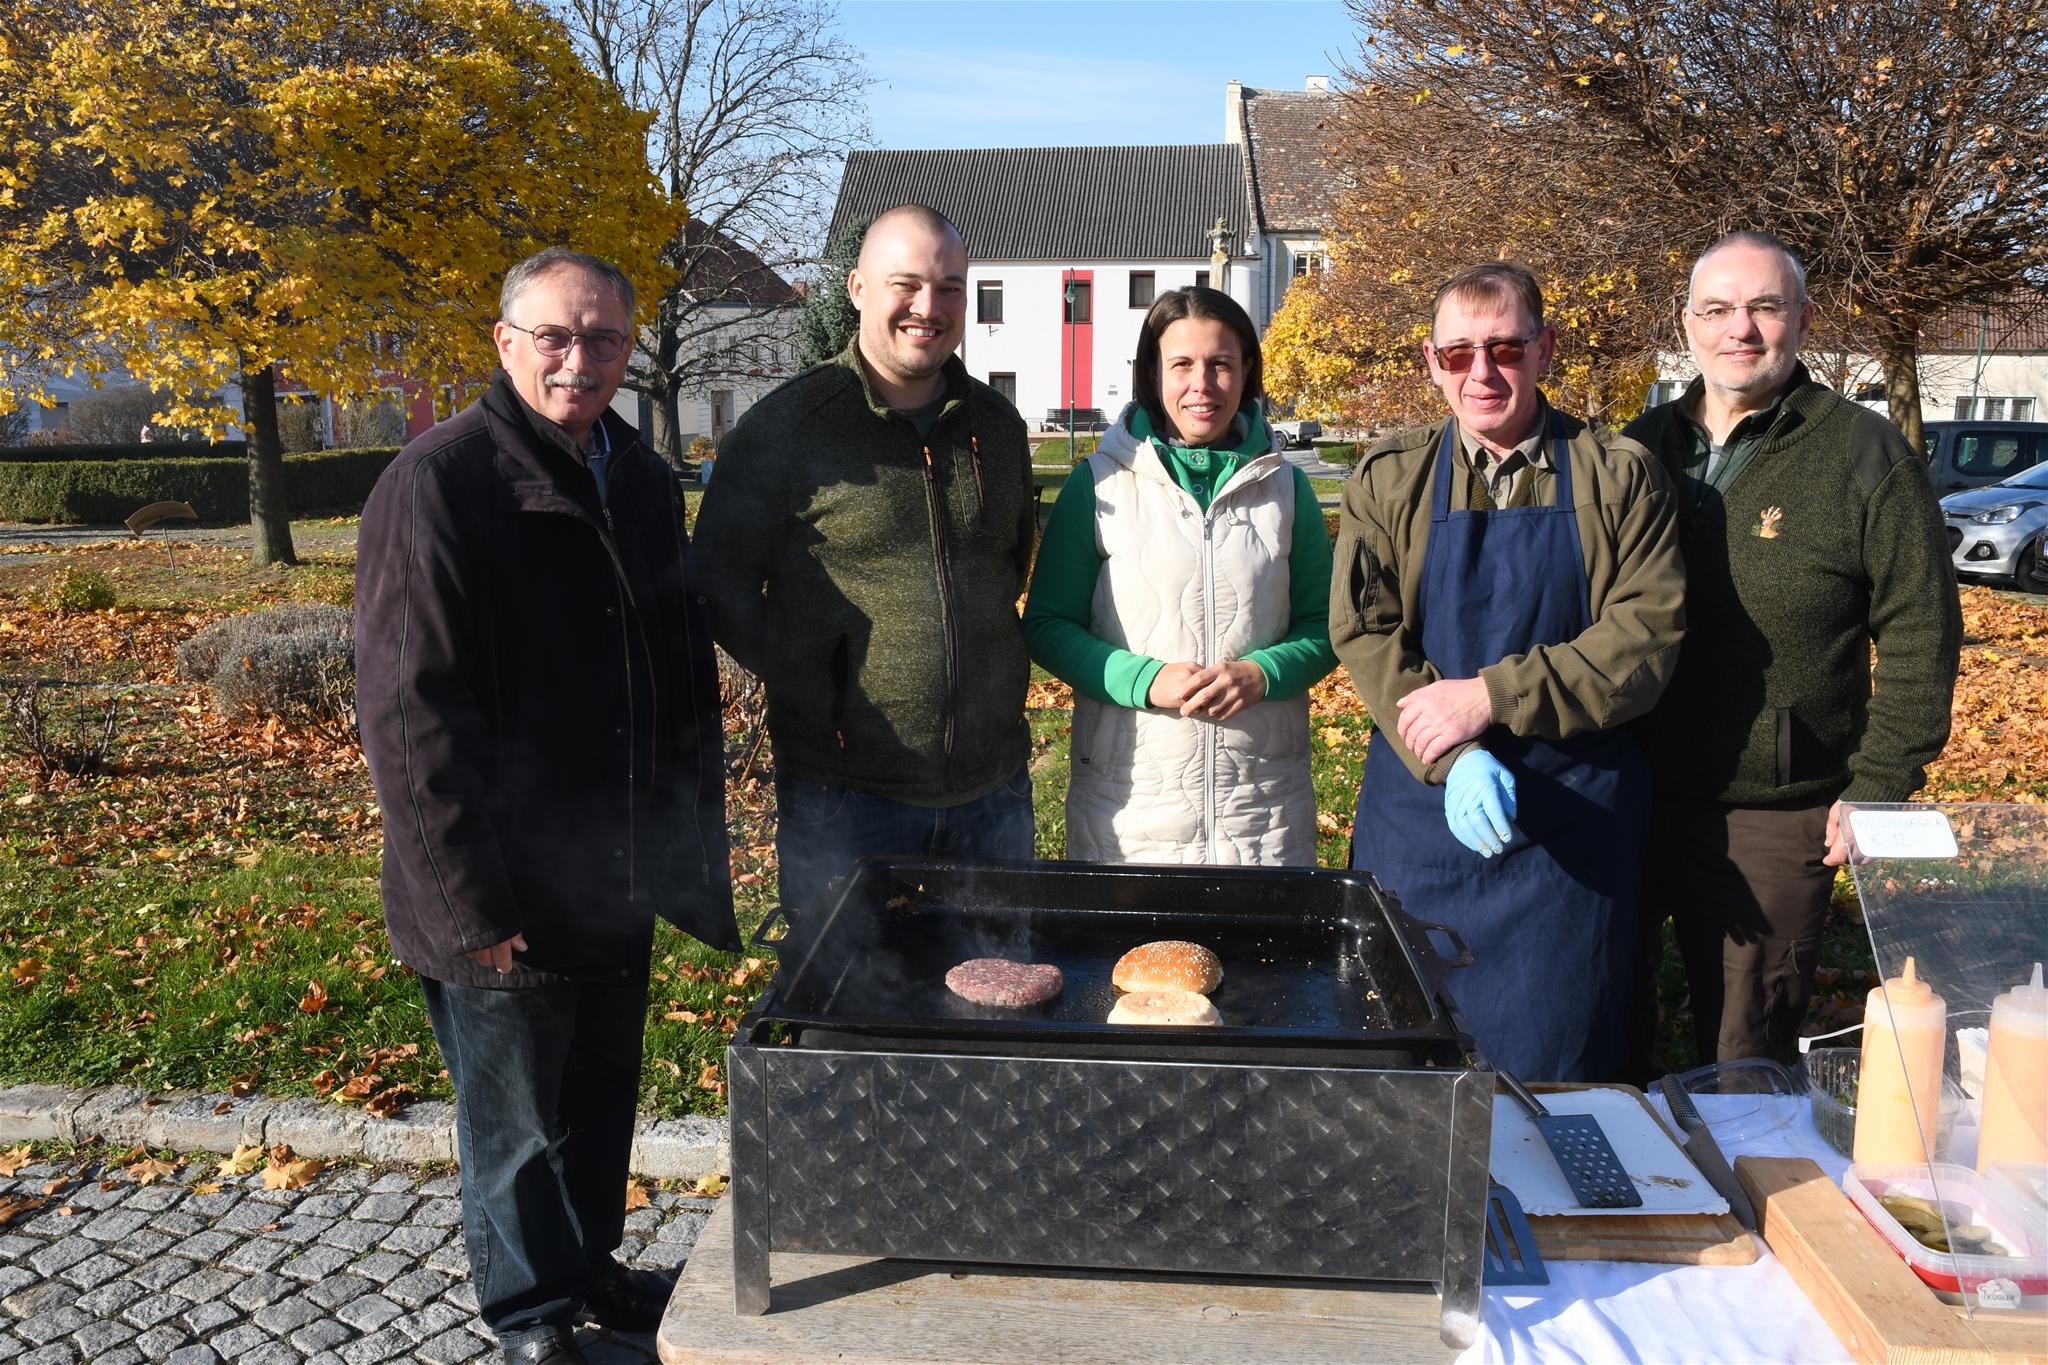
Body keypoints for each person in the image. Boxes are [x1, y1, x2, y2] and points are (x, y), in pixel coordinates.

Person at [356, 248, 738, 1365]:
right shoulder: (439, 485)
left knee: (596, 1096)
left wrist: (679, 845)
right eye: (555, 336)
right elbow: (407, 713)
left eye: (604, 338)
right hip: (501, 876)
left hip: (609, 863)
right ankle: (530, 1317)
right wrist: (469, 901)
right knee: (516, 1124)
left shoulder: (639, 476)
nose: (580, 359)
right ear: (504, 339)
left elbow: (669, 664)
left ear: (629, 346)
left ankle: (589, 1267)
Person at [1331, 262, 1685, 1082]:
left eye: (1504, 348)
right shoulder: (1389, 479)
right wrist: (1451, 750)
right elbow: (1364, 629)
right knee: (1406, 1053)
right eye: (1457, 354)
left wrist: (1489, 696)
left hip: (1571, 825)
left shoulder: (1619, 476)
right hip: (1424, 814)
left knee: (1562, 1069)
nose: (1482, 373)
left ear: (1545, 349)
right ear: (1431, 362)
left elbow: (1645, 639)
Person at [1625, 232, 1961, 1071]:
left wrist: (1879, 784)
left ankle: (1748, 1202)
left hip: (1774, 813)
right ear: (1688, 325)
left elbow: (1923, 628)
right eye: (1718, 309)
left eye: (1765, 307)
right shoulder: (1640, 447)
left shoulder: (1863, 451)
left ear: (1803, 320)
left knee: (1744, 1052)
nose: (1741, 328)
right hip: (1627, 791)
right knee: (1605, 1025)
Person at [691, 205, 1036, 911]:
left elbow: (1011, 564)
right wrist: (818, 678)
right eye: (904, 284)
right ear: (855, 288)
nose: (928, 307)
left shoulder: (996, 428)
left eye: (949, 288)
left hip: (994, 793)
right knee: (844, 1009)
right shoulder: (787, 429)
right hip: (846, 799)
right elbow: (714, 585)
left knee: (997, 1003)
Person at [1022, 286, 1337, 863]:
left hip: (1262, 811)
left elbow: (1326, 625)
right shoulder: (1098, 485)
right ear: (1152, 374)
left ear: (1247, 373)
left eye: (1221, 364)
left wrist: (1264, 673)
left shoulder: (1288, 491)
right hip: (1132, 804)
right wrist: (1141, 679)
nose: (1203, 384)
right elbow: (1047, 625)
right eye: (1182, 365)